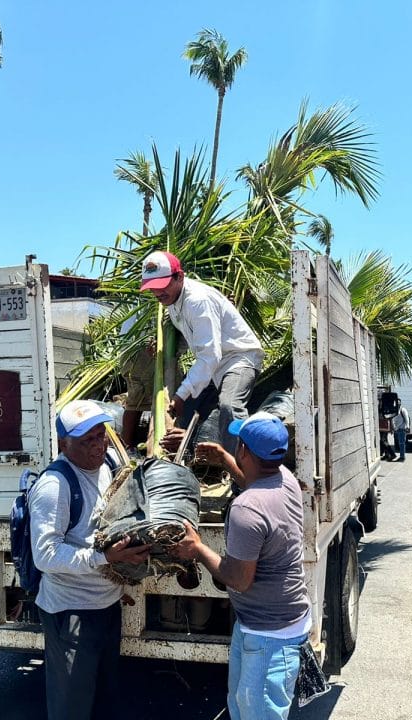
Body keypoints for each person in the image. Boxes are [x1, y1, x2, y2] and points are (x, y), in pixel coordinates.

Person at [174, 412, 311, 720]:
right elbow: (254, 481)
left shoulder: (246, 510)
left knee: (256, 713)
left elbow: (238, 579)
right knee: (242, 707)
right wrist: (224, 459)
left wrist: (197, 549)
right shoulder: (284, 479)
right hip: (274, 623)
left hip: (268, 637)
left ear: (245, 451)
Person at [29, 400, 151, 720]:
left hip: (105, 607)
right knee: (73, 705)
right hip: (71, 612)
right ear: (64, 444)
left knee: (102, 699)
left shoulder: (108, 465)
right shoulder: (54, 486)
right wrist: (102, 558)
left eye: (101, 435)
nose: (98, 446)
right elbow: (45, 554)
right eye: (87, 441)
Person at [141, 250, 264, 450]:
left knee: (229, 407)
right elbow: (196, 339)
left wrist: (181, 394)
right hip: (215, 365)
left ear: (179, 277)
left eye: (162, 286)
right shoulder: (173, 302)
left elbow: (209, 355)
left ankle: (244, 467)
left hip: (239, 358)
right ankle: (189, 459)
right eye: (152, 288)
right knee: (186, 411)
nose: (157, 293)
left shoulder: (198, 301)